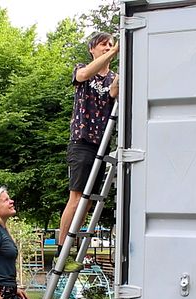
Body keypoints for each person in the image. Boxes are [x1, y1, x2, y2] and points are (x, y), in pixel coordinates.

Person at [57, 32, 119, 271]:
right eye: (103, 44)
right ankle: (63, 249)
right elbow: (83, 75)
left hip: (100, 144)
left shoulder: (114, 77)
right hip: (81, 141)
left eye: (111, 45)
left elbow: (114, 92)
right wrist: (114, 52)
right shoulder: (82, 69)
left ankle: (71, 244)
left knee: (89, 203)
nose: (107, 47)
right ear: (92, 49)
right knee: (76, 197)